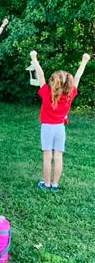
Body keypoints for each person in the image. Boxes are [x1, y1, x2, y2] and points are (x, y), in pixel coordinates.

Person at [30, 51, 91, 192]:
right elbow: (78, 77)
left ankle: (46, 184)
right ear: (67, 84)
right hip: (60, 129)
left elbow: (40, 75)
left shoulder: (46, 93)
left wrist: (34, 58)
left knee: (47, 156)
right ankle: (55, 185)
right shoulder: (69, 95)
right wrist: (84, 61)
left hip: (47, 128)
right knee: (58, 156)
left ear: (53, 82)